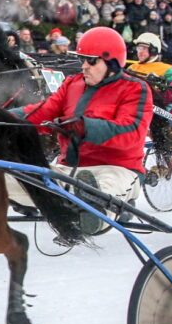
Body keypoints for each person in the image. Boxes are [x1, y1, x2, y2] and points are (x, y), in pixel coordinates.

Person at [12, 26, 153, 234]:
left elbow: (131, 133)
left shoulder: (135, 89)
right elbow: (42, 112)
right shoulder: (72, 84)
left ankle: (92, 211)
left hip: (116, 170)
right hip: (68, 171)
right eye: (81, 60)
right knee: (6, 176)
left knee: (100, 190)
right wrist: (0, 117)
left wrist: (85, 127)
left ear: (112, 62)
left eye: (91, 60)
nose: (84, 66)